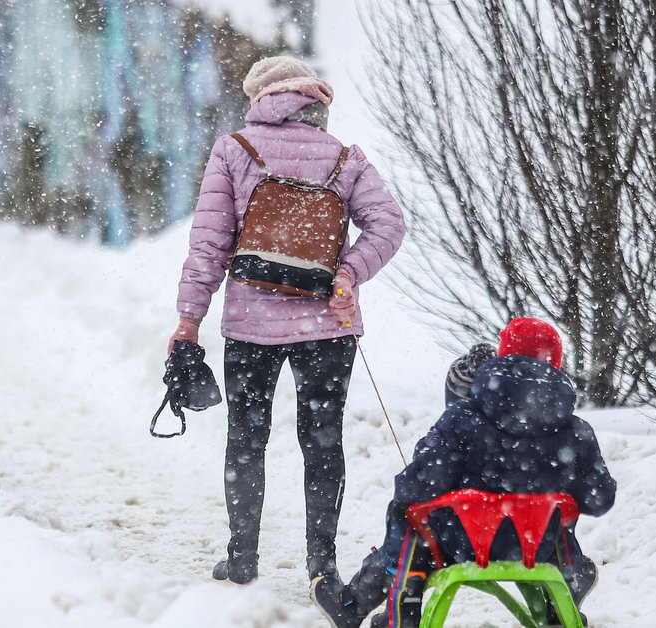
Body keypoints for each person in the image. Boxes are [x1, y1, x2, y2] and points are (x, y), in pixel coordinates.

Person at [169, 56, 405, 584]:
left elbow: (209, 242)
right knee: (323, 439)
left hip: (250, 326)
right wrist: (347, 273)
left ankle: (243, 558)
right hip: (326, 326)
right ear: (314, 103)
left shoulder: (235, 149)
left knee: (247, 438)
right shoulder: (346, 158)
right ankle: (322, 565)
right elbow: (389, 225)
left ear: (260, 100)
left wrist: (189, 318)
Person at [313, 317, 616, 627]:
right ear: (555, 363)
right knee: (558, 512)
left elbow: (418, 485)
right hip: (537, 548)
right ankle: (565, 592)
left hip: (458, 545)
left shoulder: (463, 416)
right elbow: (599, 499)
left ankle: (372, 604)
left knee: (407, 516)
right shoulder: (576, 432)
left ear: (503, 355)